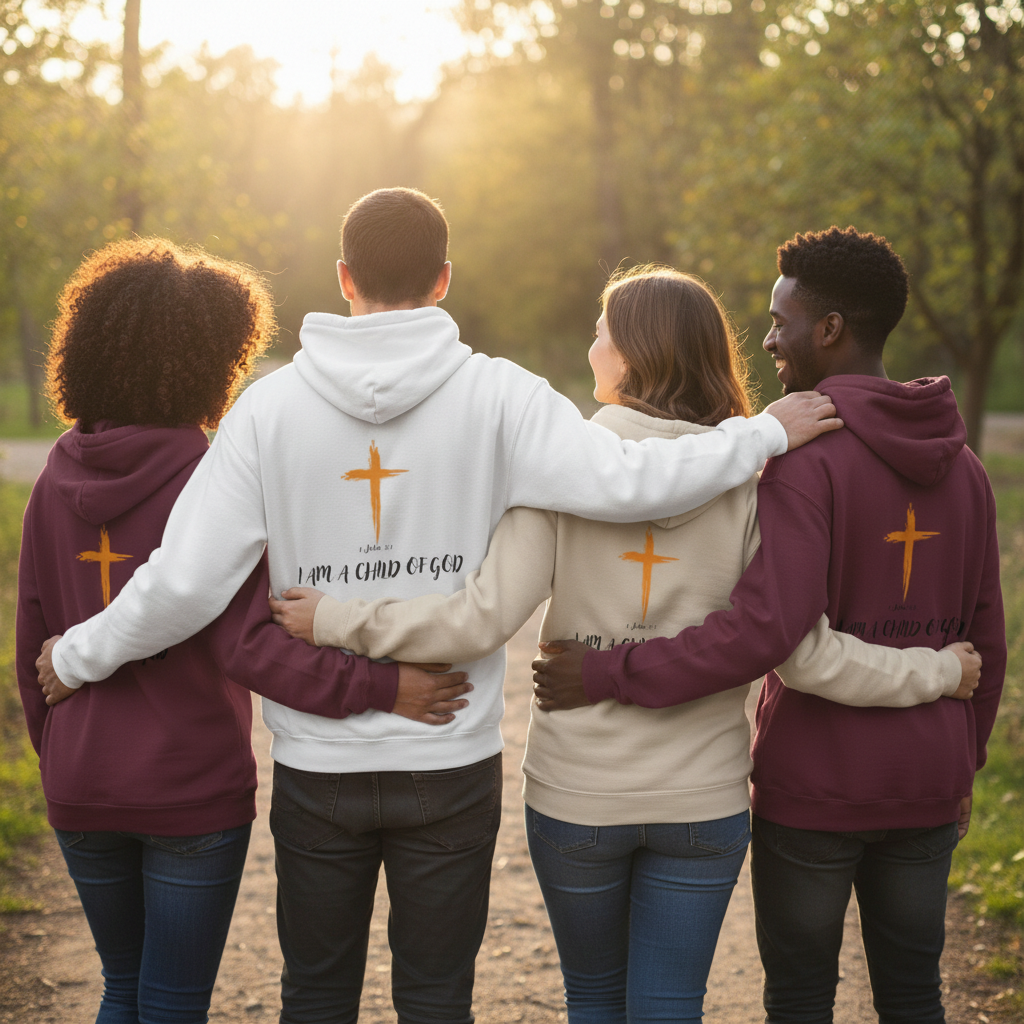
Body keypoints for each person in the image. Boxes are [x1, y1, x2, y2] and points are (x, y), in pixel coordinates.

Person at [37, 189, 843, 1024]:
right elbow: (629, 481)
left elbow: (183, 582)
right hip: (447, 752)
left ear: (343, 277)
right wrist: (763, 434)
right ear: (445, 279)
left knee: (315, 994)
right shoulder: (503, 396)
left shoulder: (265, 413)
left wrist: (75, 657)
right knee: (434, 998)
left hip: (319, 766)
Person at [268, 266, 980, 1024]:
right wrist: (939, 673)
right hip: (700, 797)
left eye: (603, 330)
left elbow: (477, 620)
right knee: (671, 1006)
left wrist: (338, 619)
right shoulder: (754, 477)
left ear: (637, 353)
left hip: (581, 794)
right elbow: (786, 642)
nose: (591, 344)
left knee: (595, 1002)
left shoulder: (556, 469)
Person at [531, 228, 1005, 1023]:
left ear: (830, 329)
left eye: (782, 320)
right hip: (929, 777)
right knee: (917, 992)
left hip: (813, 784)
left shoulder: (804, 461)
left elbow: (777, 635)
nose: (770, 338)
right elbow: (988, 637)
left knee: (798, 994)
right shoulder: (968, 470)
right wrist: (966, 756)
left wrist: (608, 671)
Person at [17, 238, 470, 1024]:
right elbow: (246, 643)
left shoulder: (56, 472)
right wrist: (383, 685)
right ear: (213, 361)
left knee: (120, 990)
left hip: (79, 781)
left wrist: (59, 752)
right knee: (170, 1001)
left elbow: (35, 641)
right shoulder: (214, 471)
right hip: (190, 788)